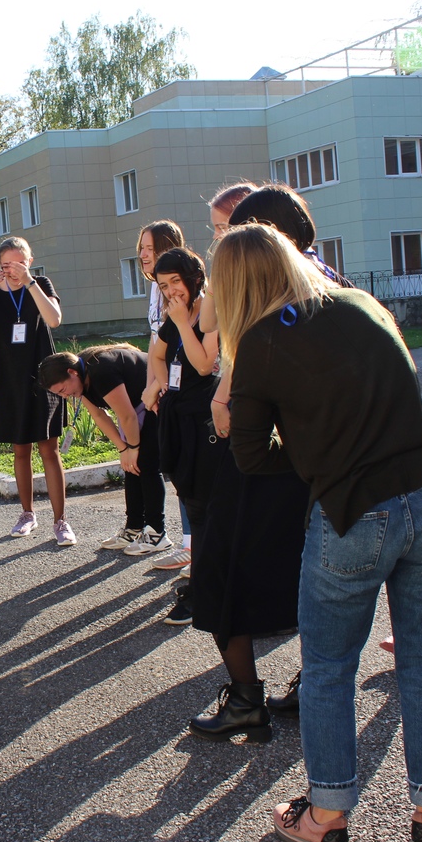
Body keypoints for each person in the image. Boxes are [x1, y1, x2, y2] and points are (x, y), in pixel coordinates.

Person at [216, 223, 422, 842]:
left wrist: (316, 457)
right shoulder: (361, 302)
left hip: (354, 511)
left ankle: (326, 816)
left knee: (329, 667)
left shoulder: (259, 343)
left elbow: (249, 454)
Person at [184, 185, 316, 735]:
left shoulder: (279, 302)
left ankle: (246, 699)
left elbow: (218, 331)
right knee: (308, 575)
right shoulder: (321, 286)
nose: (220, 245)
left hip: (268, 454)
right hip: (308, 460)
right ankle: (312, 685)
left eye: (229, 233)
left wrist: (226, 402)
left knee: (220, 573)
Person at [0, 236, 73, 545]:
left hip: (44, 379)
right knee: (20, 450)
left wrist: (30, 282)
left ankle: (60, 521)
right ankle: (27, 514)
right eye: (7, 264)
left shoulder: (40, 285)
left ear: (30, 261)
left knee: (49, 449)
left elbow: (54, 319)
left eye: (20, 263)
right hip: (9, 380)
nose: (14, 270)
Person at [143, 248, 228, 614]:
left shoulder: (209, 309)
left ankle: (206, 590)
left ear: (193, 278)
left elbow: (204, 364)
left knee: (208, 506)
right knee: (192, 501)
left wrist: (180, 323)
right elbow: (157, 355)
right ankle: (203, 585)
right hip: (177, 417)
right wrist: (163, 385)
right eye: (163, 286)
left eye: (175, 282)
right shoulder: (176, 315)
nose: (171, 292)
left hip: (205, 421)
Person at [39, 345, 169, 553]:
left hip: (159, 400)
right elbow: (99, 416)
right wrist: (124, 450)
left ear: (72, 372)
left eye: (63, 390)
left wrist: (133, 448)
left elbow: (127, 416)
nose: (65, 396)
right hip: (138, 407)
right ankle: (134, 527)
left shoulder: (100, 371)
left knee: (147, 465)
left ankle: (157, 533)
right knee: (131, 467)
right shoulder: (80, 376)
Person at [139, 220, 192, 566]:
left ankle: (192, 545)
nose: (143, 255)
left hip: (186, 384)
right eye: (141, 248)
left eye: (150, 248)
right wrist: (151, 388)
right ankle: (188, 542)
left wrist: (157, 386)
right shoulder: (155, 290)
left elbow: (181, 345)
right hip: (165, 385)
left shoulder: (180, 289)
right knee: (177, 467)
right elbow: (155, 343)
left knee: (189, 469)